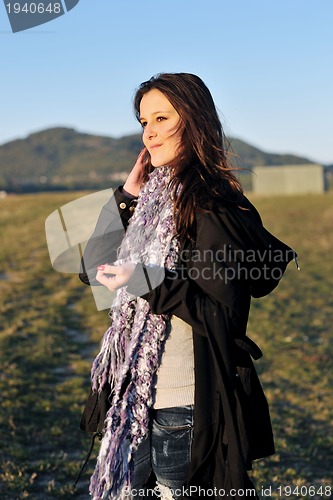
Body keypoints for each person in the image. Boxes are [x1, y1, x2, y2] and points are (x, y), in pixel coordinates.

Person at [79, 73, 297, 500]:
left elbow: (222, 315)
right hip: (131, 399)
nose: (150, 132)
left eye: (162, 118)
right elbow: (91, 269)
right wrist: (127, 197)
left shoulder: (209, 204)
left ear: (194, 121)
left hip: (184, 405)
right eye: (144, 122)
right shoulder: (149, 203)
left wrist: (146, 280)